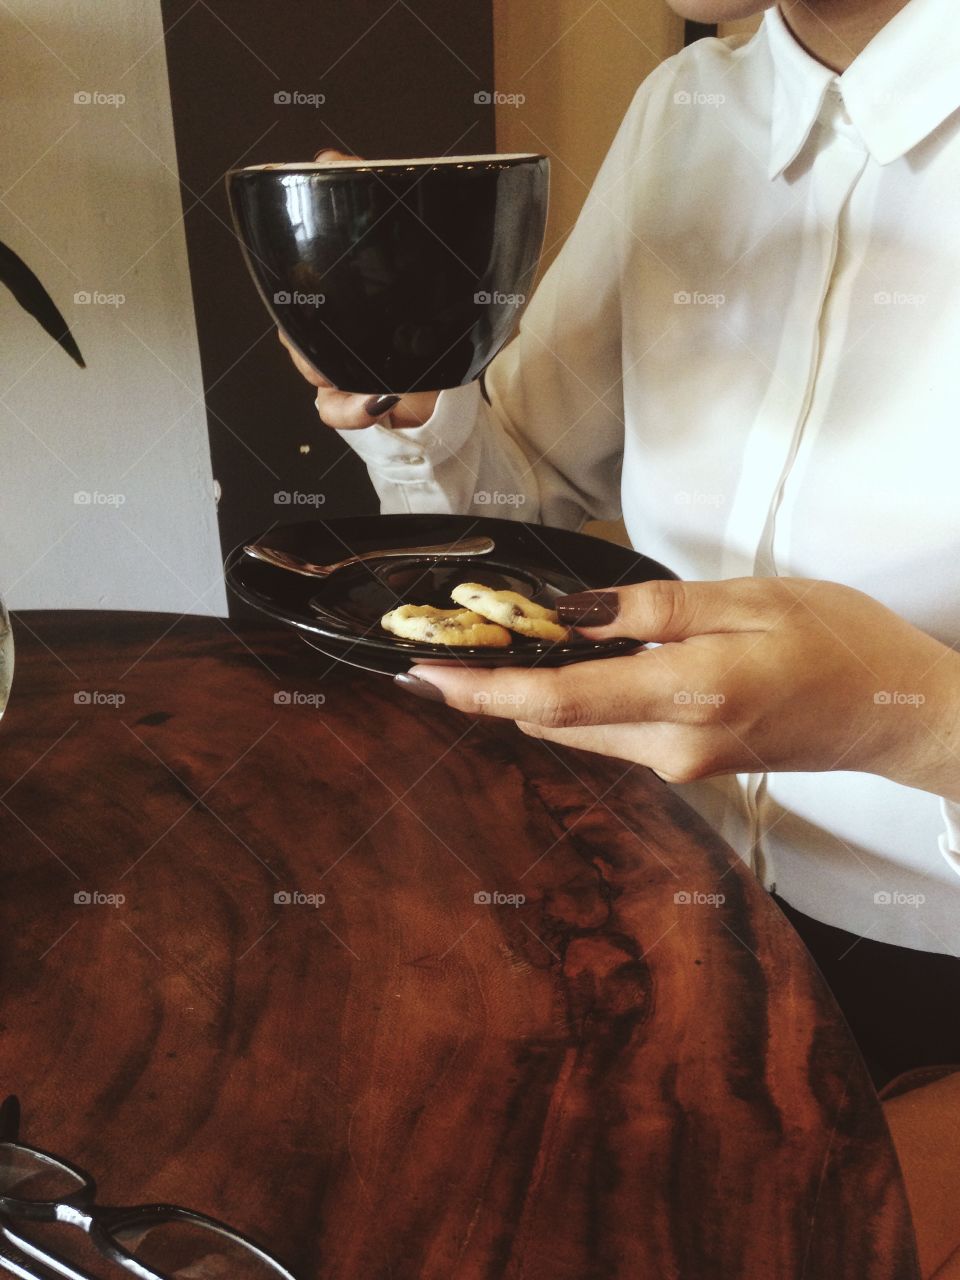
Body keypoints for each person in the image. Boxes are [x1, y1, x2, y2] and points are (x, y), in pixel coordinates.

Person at [283, 3, 959, 1269]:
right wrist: (418, 402)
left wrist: (909, 713)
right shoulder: (687, 105)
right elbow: (527, 494)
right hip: (671, 896)